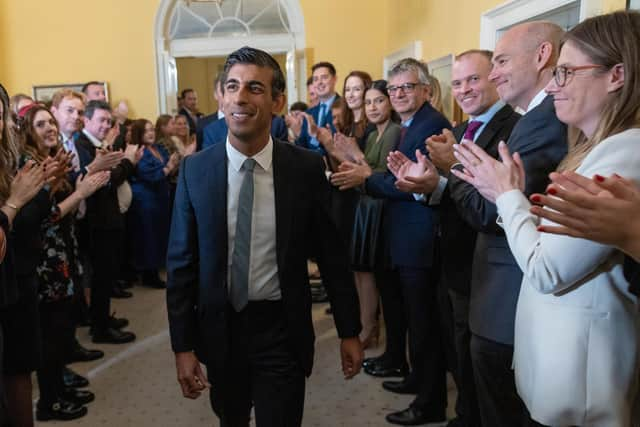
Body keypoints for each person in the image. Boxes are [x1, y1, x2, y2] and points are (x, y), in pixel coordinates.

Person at [452, 10, 640, 426]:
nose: (554, 86)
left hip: (583, 376)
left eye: (567, 72)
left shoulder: (626, 150)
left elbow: (548, 268)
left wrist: (506, 195)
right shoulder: (596, 147)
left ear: (617, 75)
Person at [166, 46, 363, 427]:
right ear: (220, 97)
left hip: (282, 330)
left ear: (277, 101)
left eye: (254, 88)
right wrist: (182, 346)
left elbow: (332, 257)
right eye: (232, 87)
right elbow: (181, 266)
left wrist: (349, 330)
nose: (240, 97)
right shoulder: (195, 171)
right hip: (220, 330)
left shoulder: (305, 169)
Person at [391, 49, 521, 427]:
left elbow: (493, 205)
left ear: (495, 78)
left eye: (474, 79)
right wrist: (431, 186)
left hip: (484, 264)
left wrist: (447, 172)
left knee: (476, 363)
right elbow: (451, 189)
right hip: (456, 258)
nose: (464, 89)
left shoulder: (512, 127)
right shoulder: (464, 128)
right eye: (459, 81)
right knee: (459, 353)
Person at [361, 58, 451, 426]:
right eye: (394, 88)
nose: (398, 94)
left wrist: (366, 178)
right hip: (408, 238)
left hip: (421, 241)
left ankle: (429, 404)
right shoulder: (410, 124)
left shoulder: (431, 126)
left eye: (407, 88)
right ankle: (417, 379)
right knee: (417, 322)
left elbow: (407, 183)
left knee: (425, 325)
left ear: (426, 90)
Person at [20, 104, 109, 421]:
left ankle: (59, 389)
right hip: (44, 260)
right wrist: (82, 191)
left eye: (49, 122)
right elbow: (46, 217)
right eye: (40, 124)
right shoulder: (27, 165)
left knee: (59, 333)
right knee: (50, 336)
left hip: (62, 253)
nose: (49, 128)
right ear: (26, 130)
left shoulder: (51, 159)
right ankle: (50, 401)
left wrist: (84, 176)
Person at [330, 80, 400, 350]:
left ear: (390, 102)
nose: (372, 107)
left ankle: (369, 329)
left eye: (378, 101)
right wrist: (338, 150)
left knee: (371, 275)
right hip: (366, 207)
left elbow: (378, 173)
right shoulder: (372, 134)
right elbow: (361, 169)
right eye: (368, 102)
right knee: (359, 271)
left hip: (381, 210)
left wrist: (356, 155)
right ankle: (364, 325)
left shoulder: (394, 132)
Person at [76, 100, 142, 344]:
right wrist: (128, 161)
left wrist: (125, 162)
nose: (105, 125)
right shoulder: (82, 145)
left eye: (108, 121)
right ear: (87, 120)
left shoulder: (99, 144)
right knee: (100, 277)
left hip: (109, 218)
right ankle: (100, 329)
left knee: (106, 275)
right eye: (101, 120)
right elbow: (107, 180)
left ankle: (102, 318)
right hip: (96, 223)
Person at [0, 83, 46, 427]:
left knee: (19, 369)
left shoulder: (10, 163)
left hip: (15, 281)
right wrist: (15, 202)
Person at [128, 119, 179, 288]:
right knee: (148, 237)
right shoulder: (139, 151)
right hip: (145, 199)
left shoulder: (156, 148)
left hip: (159, 198)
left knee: (157, 235)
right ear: (139, 134)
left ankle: (155, 270)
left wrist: (170, 166)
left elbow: (166, 167)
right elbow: (149, 175)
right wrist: (168, 167)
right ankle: (149, 275)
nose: (151, 133)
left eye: (152, 130)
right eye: (146, 131)